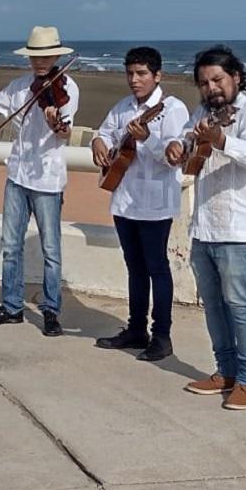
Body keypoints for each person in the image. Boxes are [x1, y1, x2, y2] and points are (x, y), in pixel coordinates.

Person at [165, 45, 246, 410]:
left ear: (236, 77)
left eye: (217, 79)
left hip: (245, 228)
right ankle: (225, 371)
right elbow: (185, 140)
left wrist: (221, 140)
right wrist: (176, 146)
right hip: (207, 226)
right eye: (203, 82)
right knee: (213, 305)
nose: (211, 87)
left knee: (241, 305)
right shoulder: (203, 112)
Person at [0, 26, 79, 336]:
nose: (41, 62)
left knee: (51, 249)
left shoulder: (68, 89)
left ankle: (51, 311)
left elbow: (65, 133)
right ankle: (11, 307)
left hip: (47, 179)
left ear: (57, 56)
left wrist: (54, 123)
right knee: (11, 245)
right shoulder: (20, 86)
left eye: (47, 56)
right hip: (18, 175)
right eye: (35, 56)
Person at [91, 47, 189, 361]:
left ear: (157, 75)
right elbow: (104, 132)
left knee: (157, 267)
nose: (135, 80)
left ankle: (162, 336)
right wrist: (99, 144)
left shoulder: (172, 109)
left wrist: (148, 138)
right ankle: (136, 329)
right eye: (131, 73)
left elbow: (175, 156)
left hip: (156, 201)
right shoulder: (122, 107)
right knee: (134, 268)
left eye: (142, 74)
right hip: (124, 198)